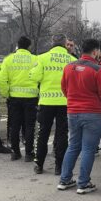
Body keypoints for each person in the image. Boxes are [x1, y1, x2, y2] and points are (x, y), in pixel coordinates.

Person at [58, 39, 101, 194]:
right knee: (88, 149)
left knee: (73, 145)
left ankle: (65, 179)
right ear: (95, 51)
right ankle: (83, 183)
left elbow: (64, 87)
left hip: (73, 112)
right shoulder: (97, 69)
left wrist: (72, 101)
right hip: (93, 113)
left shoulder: (69, 67)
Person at [30, 34, 77, 175]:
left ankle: (39, 164)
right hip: (65, 102)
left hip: (46, 102)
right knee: (62, 134)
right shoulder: (72, 60)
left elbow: (35, 77)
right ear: (64, 43)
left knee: (43, 133)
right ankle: (59, 166)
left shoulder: (42, 58)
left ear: (52, 42)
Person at [0, 36, 39, 162]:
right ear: (29, 46)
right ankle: (29, 153)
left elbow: (1, 79)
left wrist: (6, 94)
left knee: (14, 125)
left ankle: (15, 152)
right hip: (31, 98)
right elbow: (39, 77)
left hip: (14, 98)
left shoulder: (8, 59)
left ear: (17, 45)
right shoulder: (35, 59)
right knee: (29, 126)